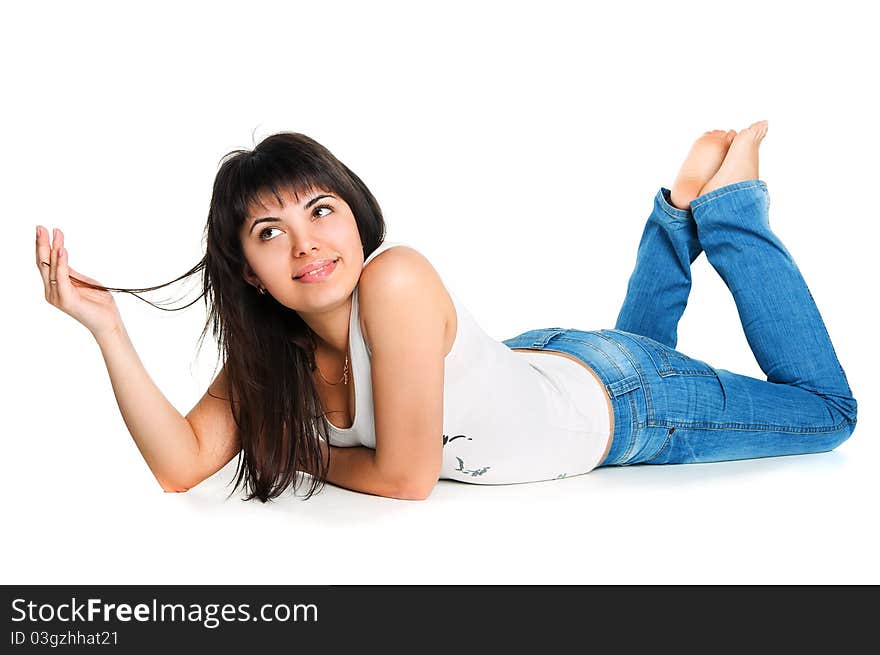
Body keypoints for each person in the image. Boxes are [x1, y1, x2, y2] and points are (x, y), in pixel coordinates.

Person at [35, 121, 858, 502]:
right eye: (269, 231)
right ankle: (674, 212)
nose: (306, 245)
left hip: (630, 411)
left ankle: (729, 207)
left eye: (320, 210)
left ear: (354, 213)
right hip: (544, 370)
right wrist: (107, 328)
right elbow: (180, 464)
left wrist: (302, 451)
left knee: (829, 413)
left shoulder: (392, 280)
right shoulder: (271, 358)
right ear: (248, 272)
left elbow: (405, 477)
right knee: (629, 349)